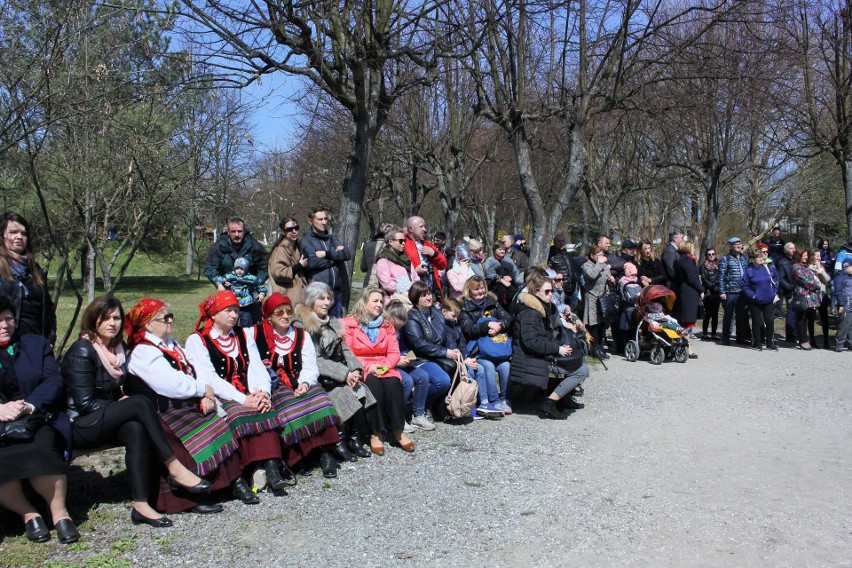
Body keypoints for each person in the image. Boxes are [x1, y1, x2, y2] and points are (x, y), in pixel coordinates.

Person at [63, 296, 211, 528]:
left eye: (117, 317)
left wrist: (121, 406)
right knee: (139, 404)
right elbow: (84, 405)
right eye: (105, 318)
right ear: (93, 320)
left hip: (104, 418)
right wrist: (121, 406)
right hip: (81, 424)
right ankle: (175, 468)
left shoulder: (116, 350)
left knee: (136, 428)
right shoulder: (82, 350)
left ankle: (141, 505)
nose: (112, 323)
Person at [124, 299, 244, 514]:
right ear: (148, 325)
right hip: (159, 409)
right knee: (188, 435)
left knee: (217, 422)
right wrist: (203, 390)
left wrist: (206, 395)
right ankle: (187, 498)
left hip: (183, 400)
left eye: (171, 317)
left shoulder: (171, 345)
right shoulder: (143, 351)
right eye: (164, 318)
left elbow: (194, 370)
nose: (170, 321)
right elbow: (170, 384)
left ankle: (229, 483)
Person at [184, 291, 292, 495]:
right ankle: (250, 468)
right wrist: (243, 399)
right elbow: (208, 377)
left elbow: (257, 366)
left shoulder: (243, 334)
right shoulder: (198, 340)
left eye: (236, 310)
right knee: (239, 415)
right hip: (221, 393)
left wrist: (263, 393)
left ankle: (271, 467)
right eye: (228, 311)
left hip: (248, 389)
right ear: (214, 314)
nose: (234, 315)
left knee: (265, 409)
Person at [0, 295, 77, 544]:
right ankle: (28, 514)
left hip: (37, 415)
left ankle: (60, 514)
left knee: (43, 448)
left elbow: (53, 380)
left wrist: (29, 406)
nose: (4, 325)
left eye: (8, 318)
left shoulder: (34, 343)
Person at [252, 293, 342, 478]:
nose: (286, 316)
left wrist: (305, 382)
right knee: (288, 406)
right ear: (269, 316)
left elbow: (310, 364)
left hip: (299, 378)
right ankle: (300, 456)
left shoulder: (301, 335)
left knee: (321, 399)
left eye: (288, 311)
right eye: (279, 313)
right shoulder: (256, 334)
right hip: (274, 383)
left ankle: (326, 452)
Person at [294, 282, 375, 462]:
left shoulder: (332, 322)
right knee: (345, 394)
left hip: (339, 370)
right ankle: (338, 442)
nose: (326, 302)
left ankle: (354, 439)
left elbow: (344, 348)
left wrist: (355, 368)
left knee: (360, 391)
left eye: (328, 298)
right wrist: (345, 373)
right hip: (317, 374)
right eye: (321, 298)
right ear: (310, 301)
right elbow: (315, 359)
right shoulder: (303, 325)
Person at [341, 287, 414, 454]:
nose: (379, 305)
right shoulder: (349, 324)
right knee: (373, 388)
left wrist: (385, 365)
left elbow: (394, 352)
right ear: (364, 302)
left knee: (393, 385)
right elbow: (348, 352)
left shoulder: (387, 323)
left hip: (384, 365)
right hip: (361, 366)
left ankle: (398, 430)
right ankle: (376, 433)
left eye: (381, 301)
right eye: (375, 301)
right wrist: (367, 367)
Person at [508, 270, 587, 420]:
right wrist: (557, 349)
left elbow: (546, 336)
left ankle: (561, 398)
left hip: (539, 354)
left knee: (578, 360)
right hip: (528, 359)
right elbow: (531, 343)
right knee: (581, 370)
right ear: (536, 292)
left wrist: (560, 346)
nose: (551, 294)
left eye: (552, 291)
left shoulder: (542, 309)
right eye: (547, 291)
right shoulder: (530, 312)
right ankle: (550, 403)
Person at [402, 281, 455, 427]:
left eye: (429, 294)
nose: (428, 298)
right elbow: (418, 343)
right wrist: (445, 352)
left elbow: (448, 335)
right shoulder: (412, 317)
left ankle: (438, 407)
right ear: (415, 298)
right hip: (420, 358)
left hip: (438, 356)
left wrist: (454, 350)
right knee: (442, 381)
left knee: (462, 370)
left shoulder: (436, 313)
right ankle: (419, 407)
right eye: (423, 295)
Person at [458, 276, 513, 415]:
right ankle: (494, 400)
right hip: (478, 350)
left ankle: (505, 399)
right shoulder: (464, 309)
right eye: (476, 289)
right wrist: (487, 325)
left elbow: (508, 318)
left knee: (505, 366)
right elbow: (469, 329)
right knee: (488, 366)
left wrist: (498, 327)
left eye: (482, 288)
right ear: (469, 291)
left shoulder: (492, 303)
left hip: (496, 346)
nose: (480, 291)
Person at [441, 297, 503, 419]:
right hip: (450, 358)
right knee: (469, 371)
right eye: (453, 315)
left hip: (461, 357)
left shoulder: (456, 325)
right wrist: (464, 361)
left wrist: (467, 358)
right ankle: (467, 405)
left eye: (456, 316)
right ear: (444, 312)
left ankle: (483, 403)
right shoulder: (442, 326)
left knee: (479, 368)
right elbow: (449, 346)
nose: (455, 319)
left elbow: (462, 344)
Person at [0, 212, 56, 344]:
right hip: (7, 347)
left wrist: (50, 338)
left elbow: (48, 308)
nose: (19, 237)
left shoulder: (35, 270)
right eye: (13, 232)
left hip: (37, 344)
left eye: (24, 233)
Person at [300, 206, 352, 318]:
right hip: (318, 294)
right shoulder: (306, 240)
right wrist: (336, 258)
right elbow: (312, 262)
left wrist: (326, 254)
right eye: (320, 219)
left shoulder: (332, 238)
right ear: (310, 221)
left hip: (336, 292)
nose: (324, 222)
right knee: (318, 326)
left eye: (325, 219)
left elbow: (347, 254)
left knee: (334, 327)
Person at [205, 217, 269, 294]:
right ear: (228, 232)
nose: (236, 234)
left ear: (244, 231)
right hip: (227, 292)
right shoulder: (218, 247)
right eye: (233, 231)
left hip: (251, 292)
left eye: (239, 231)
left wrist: (255, 284)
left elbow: (264, 268)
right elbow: (210, 268)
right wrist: (219, 282)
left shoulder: (255, 246)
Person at [741, 248, 780, 351]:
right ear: (753, 259)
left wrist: (773, 292)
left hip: (768, 298)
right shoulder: (749, 270)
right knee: (757, 321)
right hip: (756, 300)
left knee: (770, 321)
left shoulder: (767, 267)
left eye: (761, 256)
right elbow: (744, 285)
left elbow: (775, 279)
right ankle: (757, 342)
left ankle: (770, 343)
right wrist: (753, 295)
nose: (760, 258)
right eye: (758, 257)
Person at [581, 244, 614, 359]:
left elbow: (607, 273)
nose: (601, 257)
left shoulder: (603, 265)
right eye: (598, 255)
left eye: (602, 255)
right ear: (592, 255)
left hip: (603, 297)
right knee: (593, 323)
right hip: (592, 297)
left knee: (601, 324)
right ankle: (594, 348)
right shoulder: (586, 266)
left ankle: (600, 347)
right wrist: (600, 263)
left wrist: (610, 277)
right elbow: (592, 275)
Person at [403, 216, 448, 296]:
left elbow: (443, 265)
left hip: (431, 288)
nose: (424, 229)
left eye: (425, 226)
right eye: (421, 226)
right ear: (411, 228)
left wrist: (434, 254)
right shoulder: (402, 244)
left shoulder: (428, 244)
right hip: (412, 289)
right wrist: (414, 271)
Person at [268, 216, 309, 303]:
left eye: (296, 228)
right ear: (283, 232)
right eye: (290, 229)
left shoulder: (297, 247)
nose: (294, 231)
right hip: (286, 297)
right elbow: (279, 273)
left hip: (299, 296)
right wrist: (299, 266)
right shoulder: (280, 250)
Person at [719, 236, 751, 346]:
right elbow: (721, 276)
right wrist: (722, 291)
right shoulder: (725, 258)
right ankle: (726, 337)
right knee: (729, 315)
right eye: (736, 244)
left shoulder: (744, 258)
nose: (738, 246)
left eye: (740, 244)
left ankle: (741, 337)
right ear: (731, 246)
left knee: (741, 315)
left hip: (742, 292)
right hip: (730, 291)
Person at [672, 241, 704, 351]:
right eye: (693, 247)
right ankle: (686, 347)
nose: (694, 249)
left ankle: (686, 346)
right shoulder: (686, 261)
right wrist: (701, 289)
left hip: (689, 293)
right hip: (688, 293)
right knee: (685, 321)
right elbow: (691, 278)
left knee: (687, 322)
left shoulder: (686, 260)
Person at [218, 257, 266, 327]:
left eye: (242, 269)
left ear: (246, 269)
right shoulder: (230, 276)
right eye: (237, 268)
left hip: (246, 304)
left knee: (247, 320)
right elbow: (220, 279)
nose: (239, 271)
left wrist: (261, 294)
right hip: (233, 303)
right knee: (233, 321)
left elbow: (260, 285)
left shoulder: (250, 278)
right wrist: (220, 284)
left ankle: (247, 334)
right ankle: (234, 334)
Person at [375, 225, 417, 301]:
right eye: (401, 241)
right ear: (390, 242)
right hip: (393, 301)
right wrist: (407, 288)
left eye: (405, 241)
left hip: (411, 297)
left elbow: (416, 277)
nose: (403, 243)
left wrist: (414, 288)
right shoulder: (383, 261)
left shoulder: (406, 258)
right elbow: (386, 284)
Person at [791, 250, 821, 350]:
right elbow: (806, 281)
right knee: (801, 318)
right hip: (801, 295)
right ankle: (802, 340)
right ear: (799, 256)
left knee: (809, 318)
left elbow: (814, 278)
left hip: (810, 296)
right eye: (804, 256)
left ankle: (807, 339)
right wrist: (816, 285)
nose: (806, 257)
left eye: (807, 256)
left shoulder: (806, 266)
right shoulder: (796, 267)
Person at [484, 242, 522, 309]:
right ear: (495, 250)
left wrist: (511, 277)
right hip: (495, 287)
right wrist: (501, 280)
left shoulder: (508, 260)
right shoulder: (490, 260)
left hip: (509, 289)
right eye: (500, 249)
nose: (502, 251)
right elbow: (490, 274)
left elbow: (515, 272)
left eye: (504, 249)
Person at [548, 234, 580, 309]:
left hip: (572, 289)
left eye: (562, 241)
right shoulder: (551, 255)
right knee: (561, 312)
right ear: (555, 243)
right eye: (558, 241)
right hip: (560, 290)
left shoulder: (568, 255)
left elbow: (574, 269)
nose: (561, 243)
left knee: (572, 312)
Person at [808, 248, 832, 349]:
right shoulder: (808, 268)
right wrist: (814, 271)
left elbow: (828, 280)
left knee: (824, 318)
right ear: (812, 257)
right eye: (817, 256)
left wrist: (821, 271)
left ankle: (826, 340)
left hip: (822, 295)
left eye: (820, 256)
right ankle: (812, 340)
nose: (819, 258)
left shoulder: (821, 267)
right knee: (812, 318)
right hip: (813, 295)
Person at [361, 222, 394, 288]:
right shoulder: (391, 246)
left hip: (370, 282)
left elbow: (363, 267)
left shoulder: (367, 245)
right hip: (387, 283)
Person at [777, 242, 798, 342]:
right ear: (786, 250)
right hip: (789, 290)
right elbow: (781, 278)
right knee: (791, 313)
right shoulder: (782, 262)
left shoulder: (796, 260)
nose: (793, 250)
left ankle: (797, 333)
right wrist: (789, 287)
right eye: (791, 248)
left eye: (794, 248)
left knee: (799, 313)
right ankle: (790, 335)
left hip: (799, 290)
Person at [699, 248, 721, 340]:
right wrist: (712, 286)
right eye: (709, 254)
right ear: (706, 256)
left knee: (715, 314)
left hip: (716, 293)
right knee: (707, 314)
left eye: (713, 254)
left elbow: (721, 276)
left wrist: (718, 287)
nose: (711, 256)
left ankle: (714, 334)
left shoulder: (719, 265)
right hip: (707, 292)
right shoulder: (703, 266)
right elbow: (704, 279)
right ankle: (704, 333)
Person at [832, 259, 852, 351]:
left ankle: (850, 343)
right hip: (845, 304)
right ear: (846, 266)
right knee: (844, 324)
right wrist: (841, 304)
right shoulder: (840, 277)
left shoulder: (850, 277)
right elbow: (838, 291)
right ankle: (839, 344)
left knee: (851, 325)